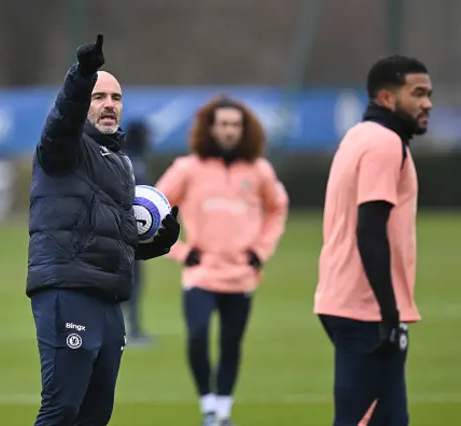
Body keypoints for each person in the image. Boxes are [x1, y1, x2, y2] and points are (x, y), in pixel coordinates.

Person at [27, 34, 181, 426]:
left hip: (109, 299)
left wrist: (151, 245)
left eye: (116, 98)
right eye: (99, 97)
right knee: (62, 408)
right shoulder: (64, 147)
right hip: (68, 289)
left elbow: (110, 236)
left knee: (96, 414)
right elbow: (61, 122)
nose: (109, 104)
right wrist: (81, 76)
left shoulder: (120, 163)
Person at [155, 96, 289, 426]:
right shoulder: (187, 168)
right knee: (198, 336)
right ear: (211, 128)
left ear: (244, 130)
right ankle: (207, 403)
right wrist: (182, 253)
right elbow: (153, 208)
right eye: (224, 124)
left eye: (236, 125)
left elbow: (277, 208)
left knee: (231, 344)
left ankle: (223, 411)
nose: (230, 130)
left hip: (241, 275)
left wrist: (261, 250)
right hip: (201, 274)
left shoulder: (259, 170)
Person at [314, 55, 432, 426]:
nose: (427, 102)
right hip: (366, 310)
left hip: (349, 301)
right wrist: (389, 312)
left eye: (429, 93)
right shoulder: (384, 143)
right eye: (417, 93)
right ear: (386, 97)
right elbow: (369, 229)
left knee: (390, 418)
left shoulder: (360, 135)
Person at [122, 119, 152, 345]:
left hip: (135, 233)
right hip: (123, 232)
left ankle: (131, 328)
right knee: (129, 282)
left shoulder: (134, 158)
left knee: (134, 282)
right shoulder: (129, 159)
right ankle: (130, 330)